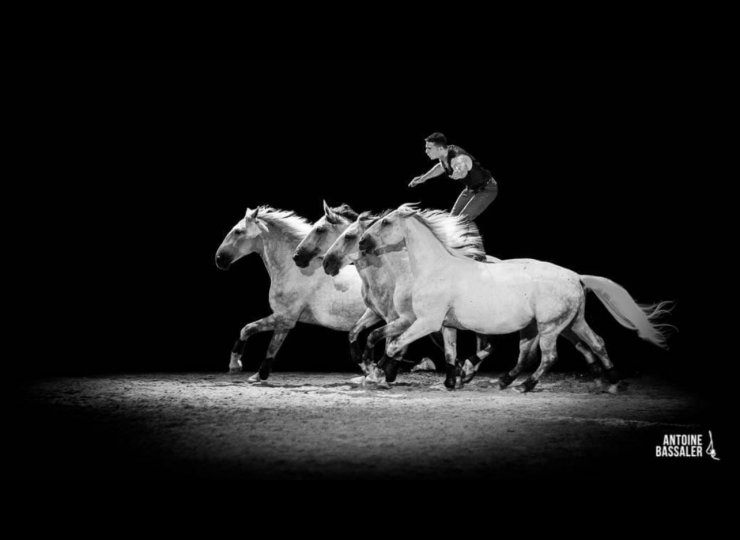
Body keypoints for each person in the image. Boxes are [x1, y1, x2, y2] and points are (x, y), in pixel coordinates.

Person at [409, 132, 498, 221]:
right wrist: (423, 178)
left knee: (461, 221)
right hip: (471, 189)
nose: (426, 151)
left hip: (487, 189)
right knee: (452, 220)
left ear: (440, 148)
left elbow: (462, 167)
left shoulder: (458, 158)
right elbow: (441, 167)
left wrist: (459, 173)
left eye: (429, 148)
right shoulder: (445, 153)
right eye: (426, 148)